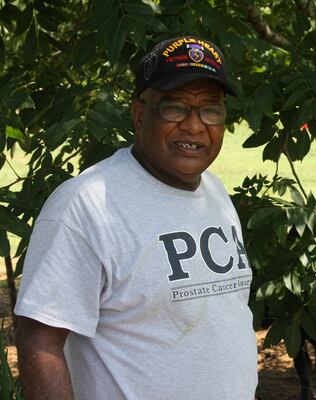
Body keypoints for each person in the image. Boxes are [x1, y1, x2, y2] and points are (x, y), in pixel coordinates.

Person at [14, 35, 258, 399]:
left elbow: (221, 325)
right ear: (139, 113)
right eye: (174, 108)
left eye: (210, 110)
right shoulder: (87, 204)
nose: (194, 126)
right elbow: (40, 339)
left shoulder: (215, 191)